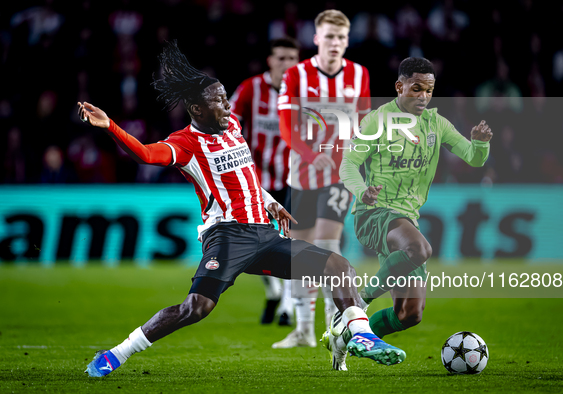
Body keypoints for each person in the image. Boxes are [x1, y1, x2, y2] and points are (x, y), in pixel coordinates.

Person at [80, 41, 404, 377]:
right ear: (197, 110)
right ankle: (116, 354)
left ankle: (362, 337)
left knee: (338, 266)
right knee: (197, 307)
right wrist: (110, 127)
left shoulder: (231, 126)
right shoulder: (185, 144)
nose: (227, 105)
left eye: (225, 97)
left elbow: (244, 176)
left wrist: (270, 203)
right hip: (228, 236)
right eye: (218, 101)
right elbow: (146, 154)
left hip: (265, 234)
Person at [323, 57, 493, 371]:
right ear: (400, 86)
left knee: (409, 314)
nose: (423, 96)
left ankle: (343, 338)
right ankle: (360, 300)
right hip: (374, 214)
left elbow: (472, 158)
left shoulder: (436, 123)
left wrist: (480, 145)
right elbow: (348, 164)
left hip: (406, 218)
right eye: (416, 88)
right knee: (420, 248)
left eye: (429, 90)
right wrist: (363, 191)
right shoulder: (377, 120)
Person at [274, 9, 371, 349]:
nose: (335, 43)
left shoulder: (360, 75)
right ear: (316, 38)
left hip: (340, 174)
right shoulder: (297, 75)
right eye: (329, 36)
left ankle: (335, 325)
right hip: (303, 171)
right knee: (301, 253)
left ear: (347, 40)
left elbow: (362, 123)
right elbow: (286, 126)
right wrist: (313, 155)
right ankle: (303, 331)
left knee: (328, 245)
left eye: (341, 37)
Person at [229, 37, 300, 326]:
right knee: (254, 243)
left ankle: (285, 308)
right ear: (270, 61)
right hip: (255, 180)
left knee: (293, 240)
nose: (286, 64)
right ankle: (273, 293)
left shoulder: (303, 94)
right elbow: (227, 120)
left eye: (292, 59)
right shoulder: (250, 88)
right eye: (281, 58)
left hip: (293, 178)